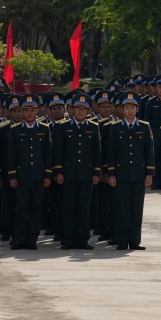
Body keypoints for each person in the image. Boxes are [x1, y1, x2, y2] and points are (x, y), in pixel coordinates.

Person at [105, 92, 154, 251]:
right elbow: (111, 152)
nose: (130, 111)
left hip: (139, 174)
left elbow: (149, 152)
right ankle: (122, 240)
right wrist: (111, 174)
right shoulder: (116, 127)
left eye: (133, 107)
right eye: (127, 108)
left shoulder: (145, 127)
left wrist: (149, 174)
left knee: (136, 208)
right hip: (121, 174)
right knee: (121, 208)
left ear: (137, 109)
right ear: (122, 110)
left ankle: (134, 241)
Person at [53, 94, 102, 250]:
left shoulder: (93, 127)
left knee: (84, 208)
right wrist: (58, 171)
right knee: (68, 207)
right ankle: (68, 239)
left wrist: (96, 173)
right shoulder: (64, 126)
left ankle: (82, 239)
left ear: (88, 111)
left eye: (83, 109)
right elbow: (58, 151)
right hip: (68, 174)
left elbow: (97, 152)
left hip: (86, 175)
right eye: (77, 109)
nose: (80, 112)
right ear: (72, 110)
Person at [6, 94, 53, 251]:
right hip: (21, 177)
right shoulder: (15, 130)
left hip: (39, 177)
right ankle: (19, 239)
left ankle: (32, 239)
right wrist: (12, 175)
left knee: (36, 209)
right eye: (26, 110)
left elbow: (48, 154)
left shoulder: (44, 129)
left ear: (37, 111)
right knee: (21, 208)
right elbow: (11, 155)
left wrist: (48, 175)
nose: (29, 113)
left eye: (32, 110)